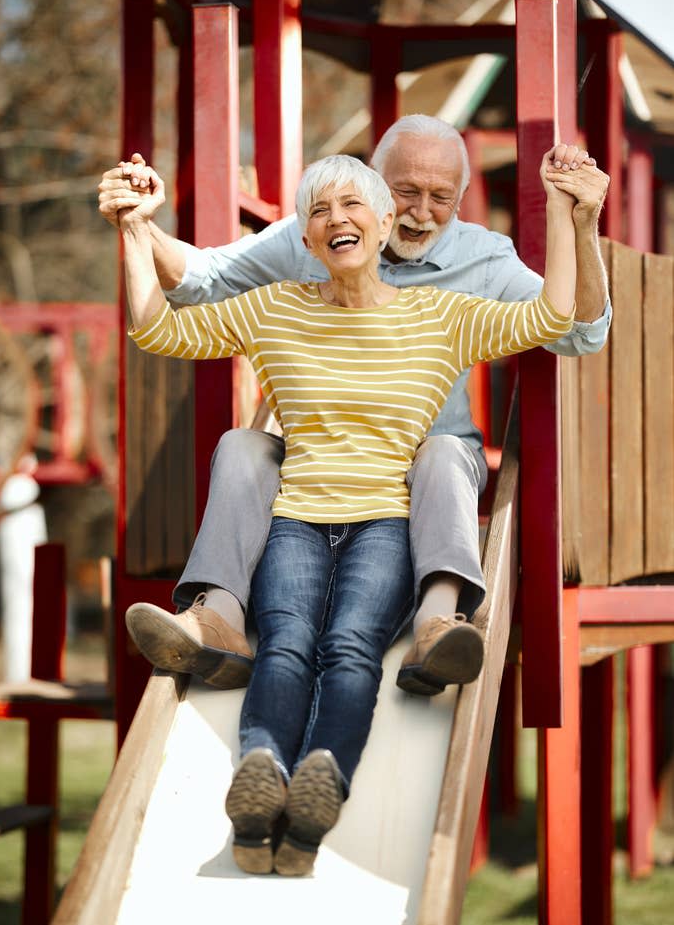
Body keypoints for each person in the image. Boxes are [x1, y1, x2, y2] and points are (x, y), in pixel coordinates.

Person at [119, 149, 586, 875]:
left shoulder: (443, 316)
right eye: (319, 212)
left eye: (352, 205)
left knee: (348, 648)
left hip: (387, 524)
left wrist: (564, 210)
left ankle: (319, 787)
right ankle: (263, 770)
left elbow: (558, 313)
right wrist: (133, 229)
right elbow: (156, 329)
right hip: (298, 518)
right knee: (284, 645)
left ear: (383, 222)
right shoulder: (276, 308)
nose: (336, 219)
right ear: (305, 241)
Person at [99, 115, 610, 696]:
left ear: (461, 200)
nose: (421, 211)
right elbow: (201, 279)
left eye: (440, 197)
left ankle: (438, 623)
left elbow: (576, 332)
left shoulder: (480, 263)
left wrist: (581, 221)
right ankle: (216, 617)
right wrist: (138, 225)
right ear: (373, 192)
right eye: (406, 191)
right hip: (322, 463)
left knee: (442, 453)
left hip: (420, 463)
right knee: (241, 445)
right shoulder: (321, 233)